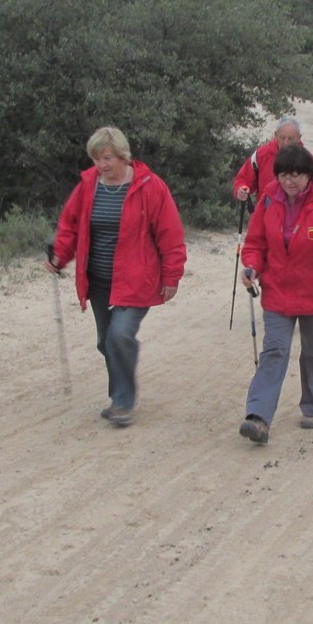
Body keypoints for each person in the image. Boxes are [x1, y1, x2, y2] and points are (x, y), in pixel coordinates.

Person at [46, 126, 187, 427]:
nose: (102, 165)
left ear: (123, 156)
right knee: (104, 341)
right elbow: (70, 225)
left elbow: (170, 234)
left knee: (120, 335)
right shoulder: (88, 186)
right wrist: (59, 255)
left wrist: (172, 275)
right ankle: (120, 393)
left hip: (137, 278)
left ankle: (123, 401)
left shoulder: (150, 187)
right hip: (98, 279)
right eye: (96, 158)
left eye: (107, 157)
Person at [238, 144, 313, 444]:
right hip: (277, 291)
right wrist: (252, 267)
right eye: (283, 175)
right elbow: (255, 243)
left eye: (295, 175)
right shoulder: (268, 197)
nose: (289, 182)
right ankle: (258, 416)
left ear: (309, 175)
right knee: (275, 351)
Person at [231, 116, 303, 202]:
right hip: (265, 212)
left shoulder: (306, 160)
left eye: (290, 139)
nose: (286, 142)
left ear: (299, 138)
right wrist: (241, 190)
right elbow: (243, 179)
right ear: (275, 135)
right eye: (282, 137)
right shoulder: (262, 154)